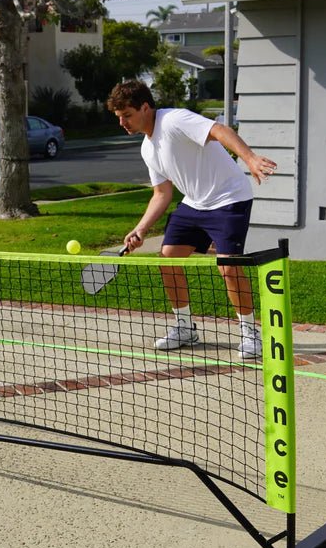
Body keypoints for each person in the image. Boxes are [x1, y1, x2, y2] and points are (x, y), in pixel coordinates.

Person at [106, 80, 277, 358]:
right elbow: (162, 193)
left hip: (229, 197)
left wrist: (249, 158)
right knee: (169, 258)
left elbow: (219, 130)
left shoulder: (174, 120)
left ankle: (250, 333)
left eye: (127, 115)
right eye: (119, 117)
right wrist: (140, 229)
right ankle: (185, 328)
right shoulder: (147, 149)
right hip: (195, 203)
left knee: (229, 267)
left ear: (145, 107)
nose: (122, 123)